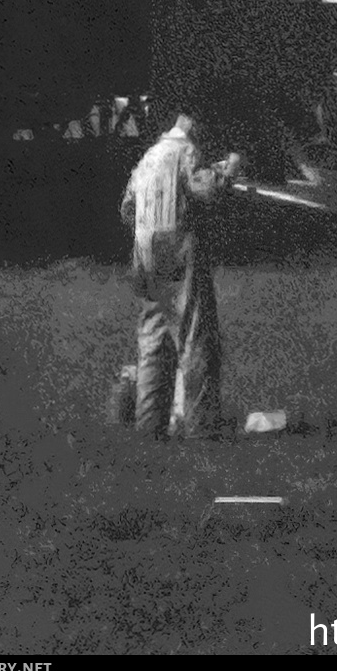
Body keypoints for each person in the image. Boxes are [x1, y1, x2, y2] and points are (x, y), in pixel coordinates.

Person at [120, 111, 242, 439]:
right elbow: (206, 190)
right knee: (195, 334)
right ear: (195, 127)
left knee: (153, 336)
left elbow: (127, 207)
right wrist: (227, 170)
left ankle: (149, 423)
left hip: (144, 250)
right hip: (177, 245)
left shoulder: (150, 156)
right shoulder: (186, 152)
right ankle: (200, 425)